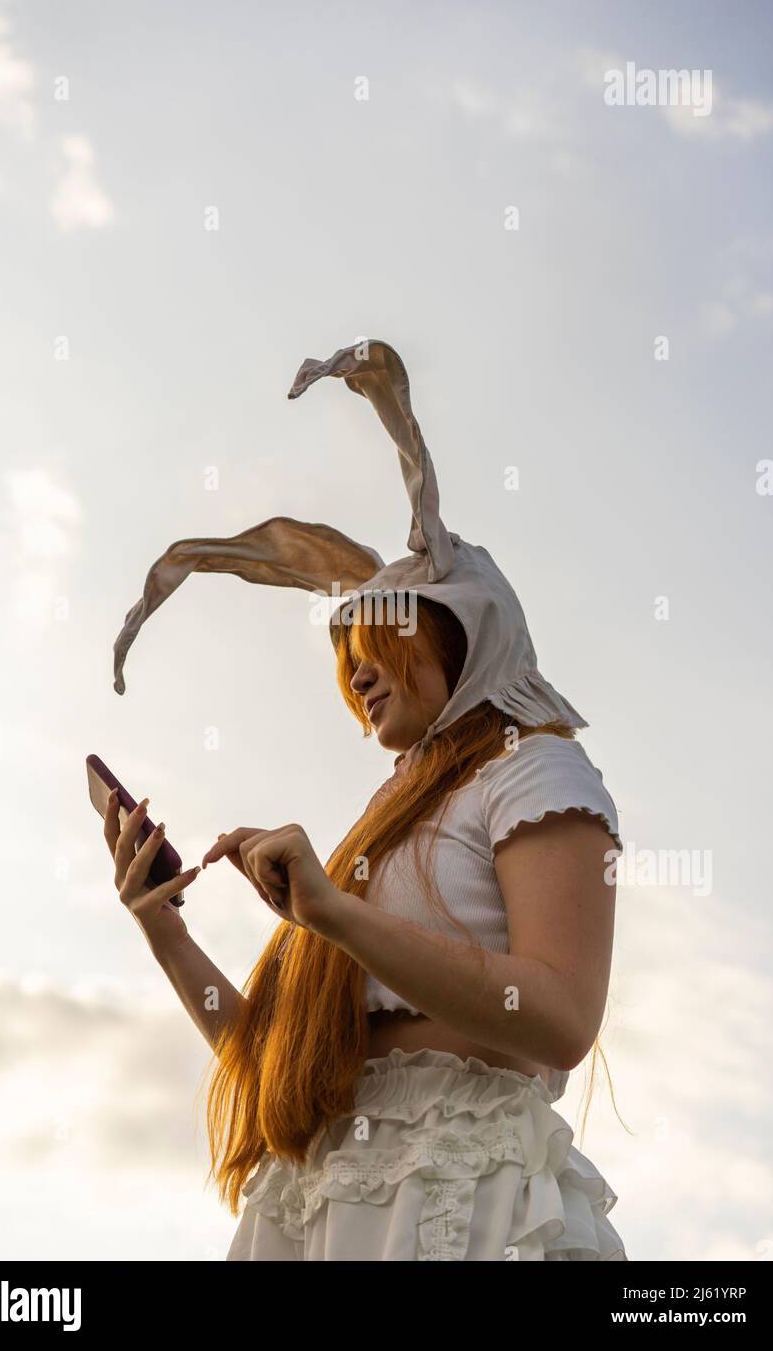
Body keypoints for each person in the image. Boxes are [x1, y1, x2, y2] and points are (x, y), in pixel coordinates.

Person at [104, 339, 628, 1261]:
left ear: (459, 637)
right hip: (319, 1204)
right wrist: (165, 931)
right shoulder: (380, 835)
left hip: (455, 1202)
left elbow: (562, 1017)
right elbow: (278, 1069)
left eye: (376, 654)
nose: (359, 684)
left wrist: (339, 916)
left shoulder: (534, 773)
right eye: (348, 671)